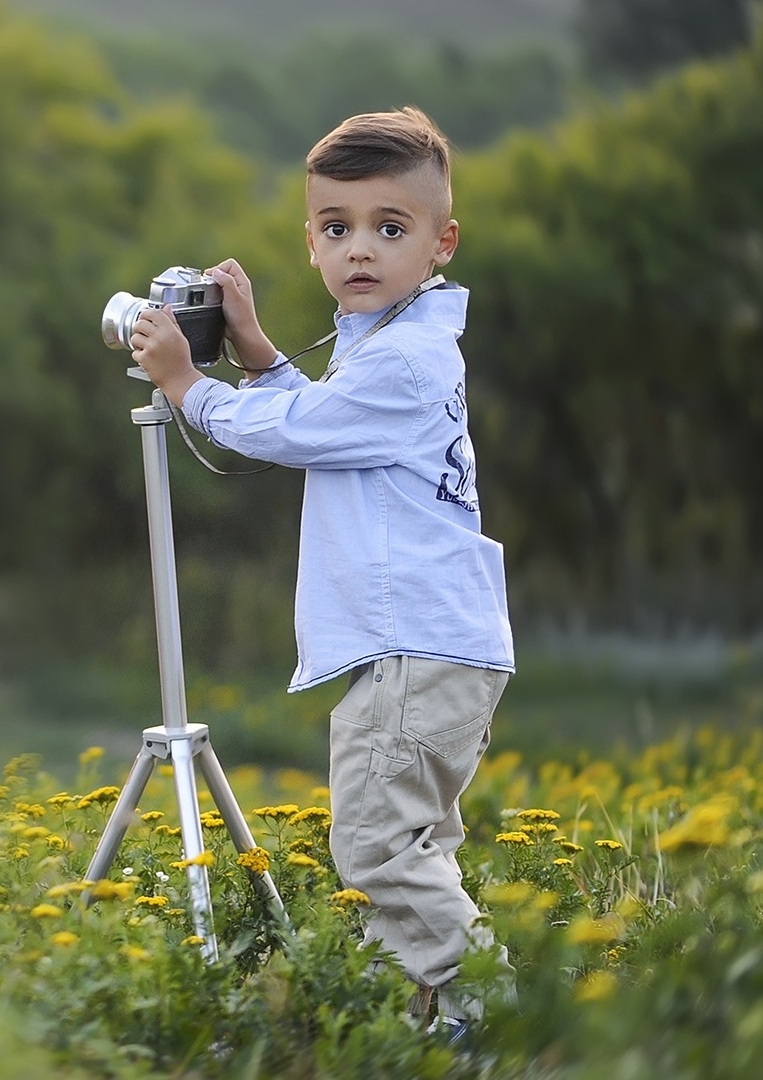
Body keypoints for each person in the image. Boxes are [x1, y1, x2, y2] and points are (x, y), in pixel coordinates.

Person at [127, 107, 515, 1039]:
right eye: (337, 229)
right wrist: (258, 353)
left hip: (412, 647)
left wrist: (188, 384)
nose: (360, 251)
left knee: (378, 848)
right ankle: (437, 1016)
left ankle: (494, 1017)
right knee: (415, 845)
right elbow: (332, 427)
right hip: (437, 644)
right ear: (310, 241)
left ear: (441, 244)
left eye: (391, 228)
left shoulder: (408, 361)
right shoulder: (387, 343)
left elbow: (298, 434)